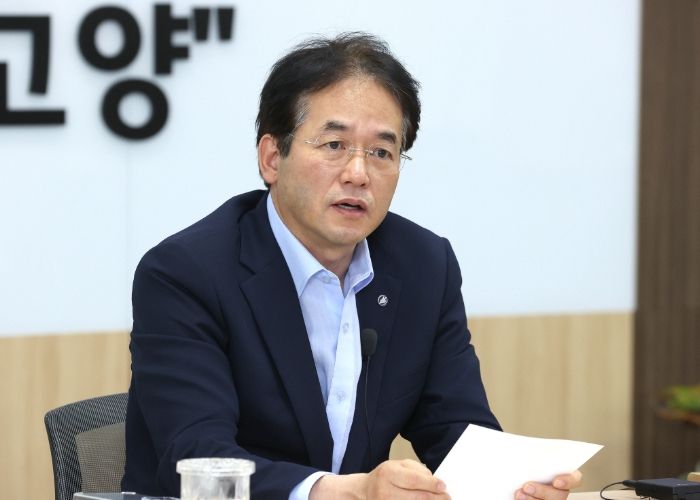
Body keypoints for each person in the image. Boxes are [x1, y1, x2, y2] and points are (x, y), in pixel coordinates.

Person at [122, 32, 581, 500]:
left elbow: (456, 429)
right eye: (334, 145)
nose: (358, 174)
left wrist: (514, 484)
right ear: (272, 158)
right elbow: (198, 459)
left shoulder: (424, 266)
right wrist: (346, 492)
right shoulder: (185, 273)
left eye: (381, 152)